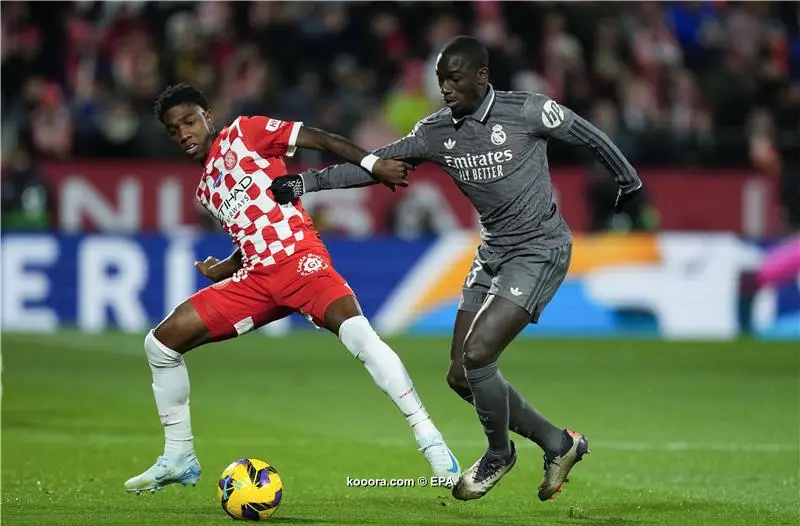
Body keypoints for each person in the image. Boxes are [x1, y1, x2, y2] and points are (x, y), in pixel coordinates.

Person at [269, 36, 644, 502]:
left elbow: (585, 133)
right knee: (461, 376)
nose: (445, 87)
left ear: (482, 76)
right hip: (492, 253)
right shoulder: (435, 132)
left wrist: (628, 180)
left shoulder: (526, 111)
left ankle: (498, 454)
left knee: (479, 353)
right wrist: (308, 181)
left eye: (454, 78)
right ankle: (558, 443)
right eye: (440, 80)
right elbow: (377, 165)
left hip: (539, 249)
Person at [123, 83, 460, 494]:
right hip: (257, 281)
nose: (184, 134)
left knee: (359, 336)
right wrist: (227, 266)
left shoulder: (247, 132)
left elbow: (321, 138)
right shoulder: (205, 190)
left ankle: (431, 440)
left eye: (190, 122)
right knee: (160, 344)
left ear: (208, 116)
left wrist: (374, 165)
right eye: (174, 130)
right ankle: (179, 456)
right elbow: (253, 232)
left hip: (301, 262)